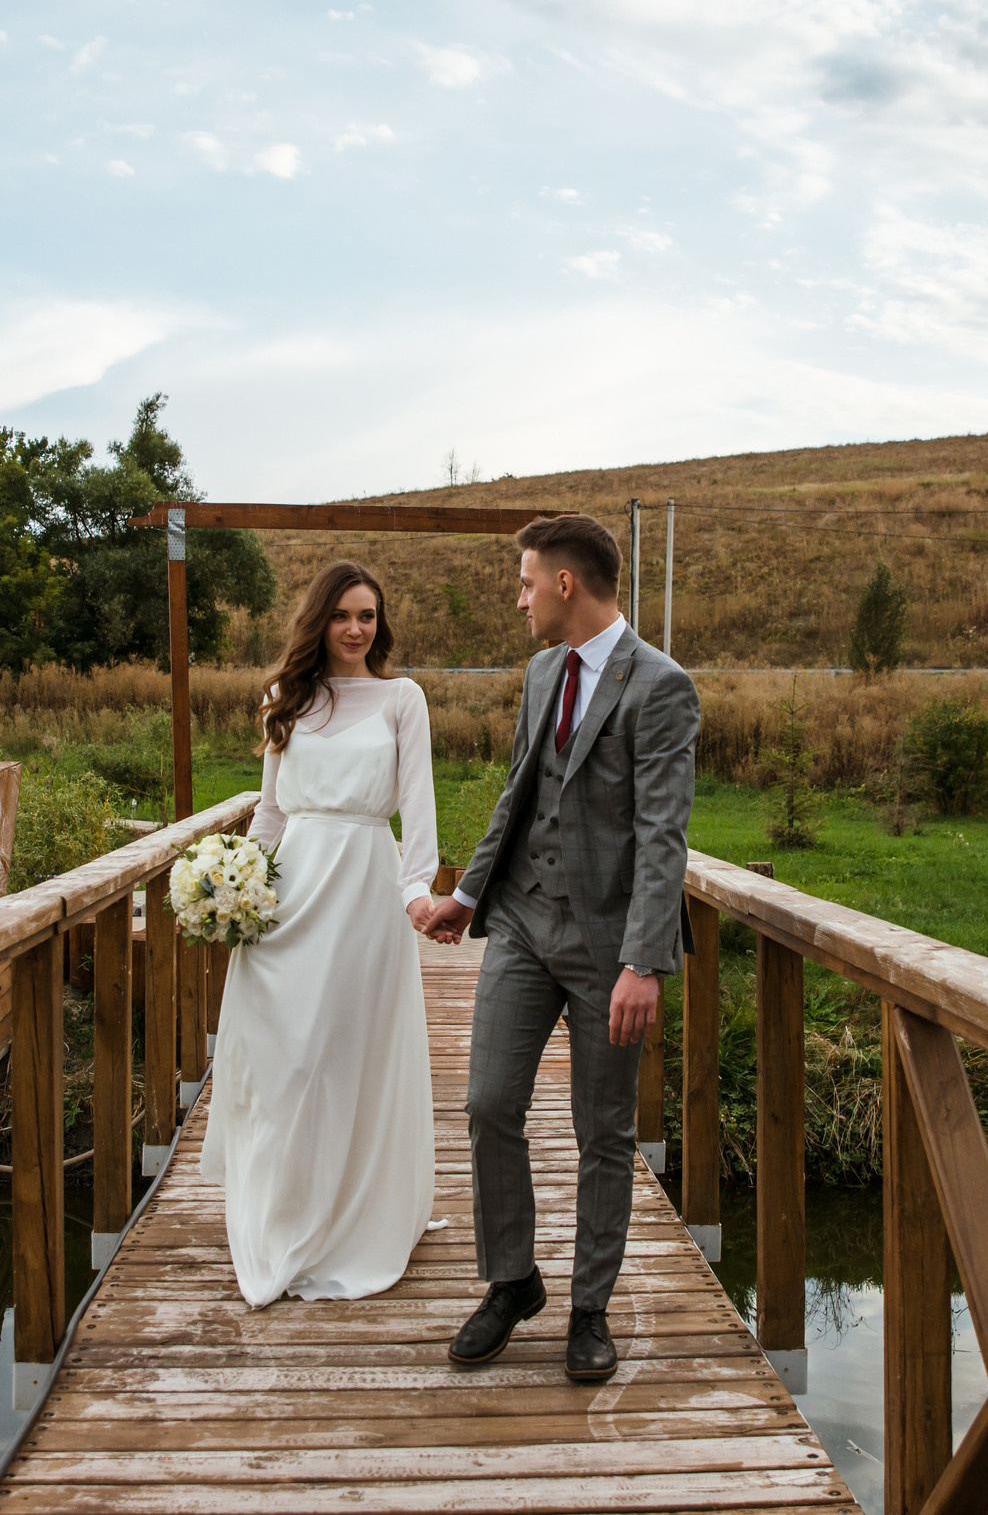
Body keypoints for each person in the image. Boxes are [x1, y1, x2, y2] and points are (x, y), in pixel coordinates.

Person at [420, 513, 700, 1383]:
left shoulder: (661, 686)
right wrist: (466, 896)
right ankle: (513, 1280)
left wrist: (644, 961)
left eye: (526, 581)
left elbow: (663, 834)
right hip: (523, 928)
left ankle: (589, 1307)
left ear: (566, 584)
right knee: (489, 1101)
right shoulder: (543, 673)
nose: (520, 598)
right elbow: (519, 792)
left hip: (610, 948)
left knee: (602, 1131)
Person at [199, 559, 442, 1308]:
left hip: (367, 887)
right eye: (342, 614)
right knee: (286, 1057)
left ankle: (357, 1216)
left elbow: (417, 804)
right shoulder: (286, 698)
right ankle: (286, 1208)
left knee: (348, 1051)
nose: (355, 627)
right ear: (319, 619)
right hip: (292, 891)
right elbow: (270, 811)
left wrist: (417, 889)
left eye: (367, 614)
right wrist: (241, 884)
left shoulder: (403, 698)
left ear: (380, 621)